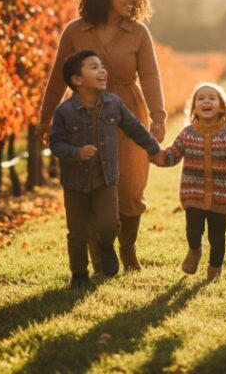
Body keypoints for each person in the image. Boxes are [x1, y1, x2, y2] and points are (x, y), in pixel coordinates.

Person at [38, 0, 166, 273]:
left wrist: (158, 118)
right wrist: (45, 120)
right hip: (83, 115)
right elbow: (58, 77)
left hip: (127, 110)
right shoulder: (75, 30)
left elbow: (150, 77)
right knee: (92, 183)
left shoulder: (138, 32)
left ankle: (128, 248)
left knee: (132, 186)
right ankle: (100, 256)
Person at [49, 50, 162, 288]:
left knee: (110, 224)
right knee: (77, 233)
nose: (103, 71)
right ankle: (79, 274)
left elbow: (135, 128)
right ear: (77, 80)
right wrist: (76, 153)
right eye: (94, 67)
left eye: (102, 66)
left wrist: (154, 149)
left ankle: (106, 246)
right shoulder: (64, 112)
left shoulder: (113, 104)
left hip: (106, 178)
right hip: (75, 184)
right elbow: (55, 144)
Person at [151, 82, 226, 282]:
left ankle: (214, 269)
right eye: (201, 98)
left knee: (217, 236)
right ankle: (194, 251)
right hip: (193, 193)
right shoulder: (187, 133)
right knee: (193, 230)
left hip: (221, 196)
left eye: (212, 98)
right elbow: (172, 154)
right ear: (194, 107)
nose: (206, 101)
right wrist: (157, 156)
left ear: (221, 107)